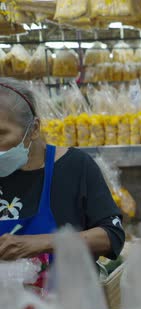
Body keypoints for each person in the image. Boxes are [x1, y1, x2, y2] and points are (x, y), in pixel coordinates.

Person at [0, 78, 125, 288]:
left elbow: (111, 237)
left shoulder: (75, 167)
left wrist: (42, 243)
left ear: (34, 129)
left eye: (1, 134)